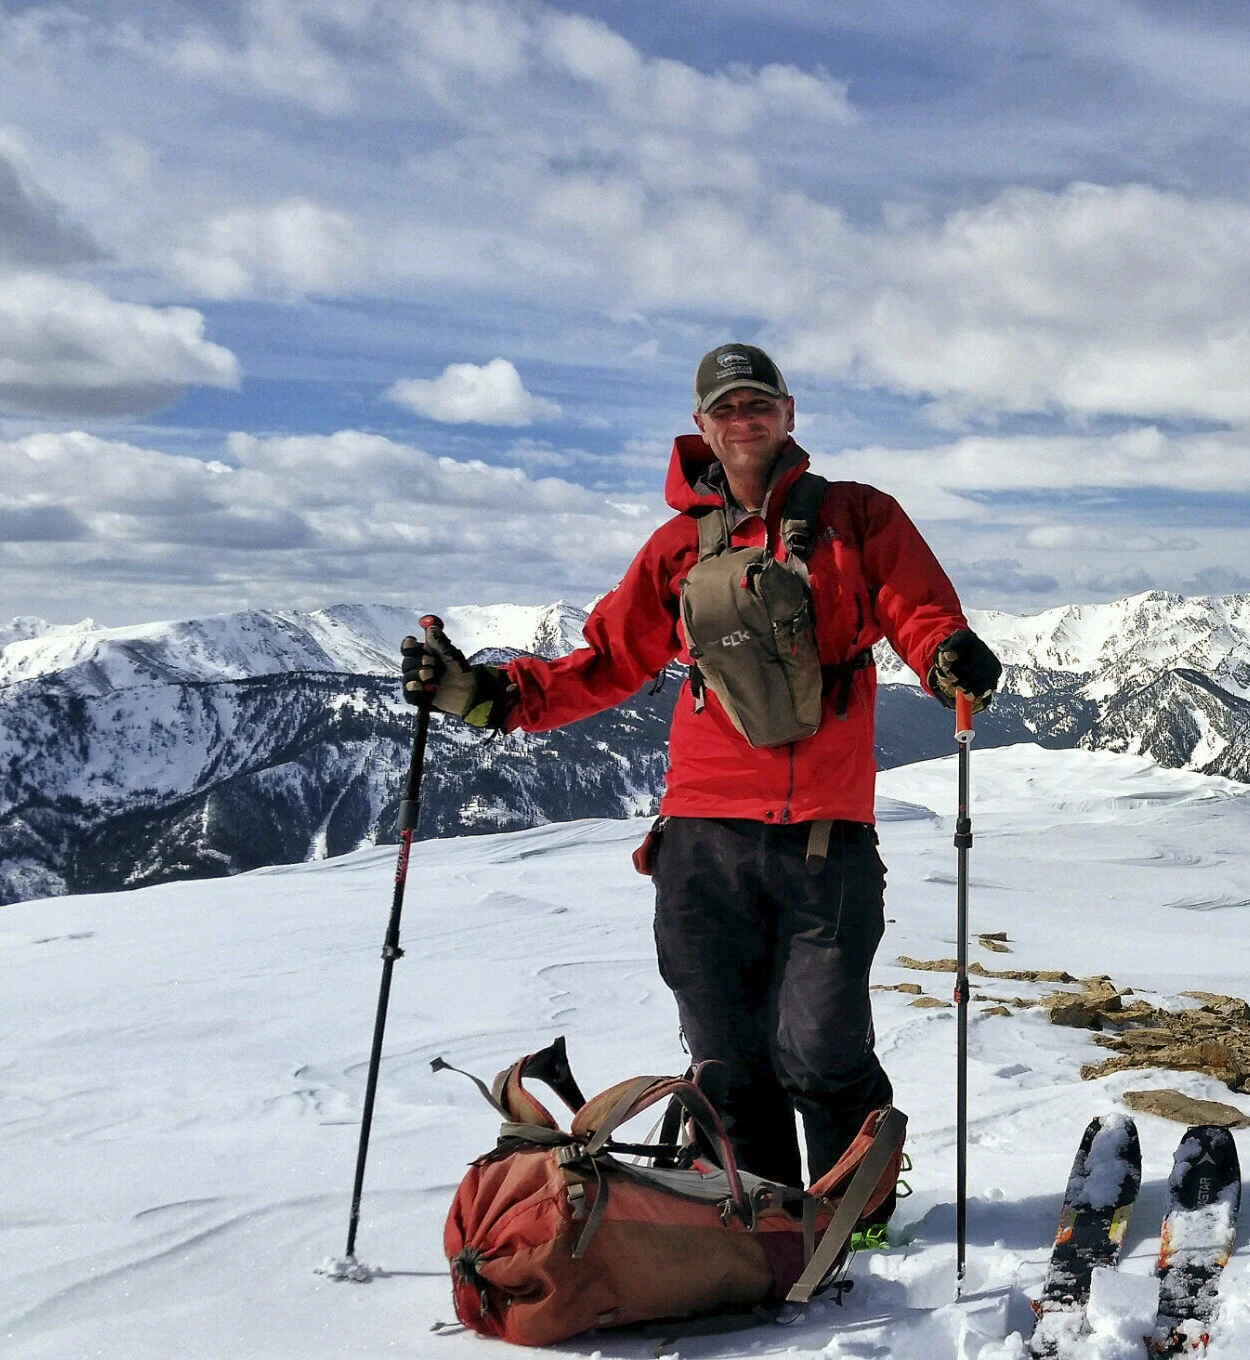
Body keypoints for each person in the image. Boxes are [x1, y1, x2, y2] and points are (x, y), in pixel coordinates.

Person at [401, 342, 1001, 1205]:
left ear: (790, 415)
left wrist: (944, 653)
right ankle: (753, 1214)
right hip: (701, 836)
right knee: (726, 1052)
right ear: (702, 429)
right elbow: (608, 659)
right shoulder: (675, 548)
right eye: (726, 409)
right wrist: (493, 697)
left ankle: (855, 1214)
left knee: (821, 1046)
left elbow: (917, 608)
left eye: (759, 403)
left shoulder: (860, 518)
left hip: (825, 834)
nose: (744, 419)